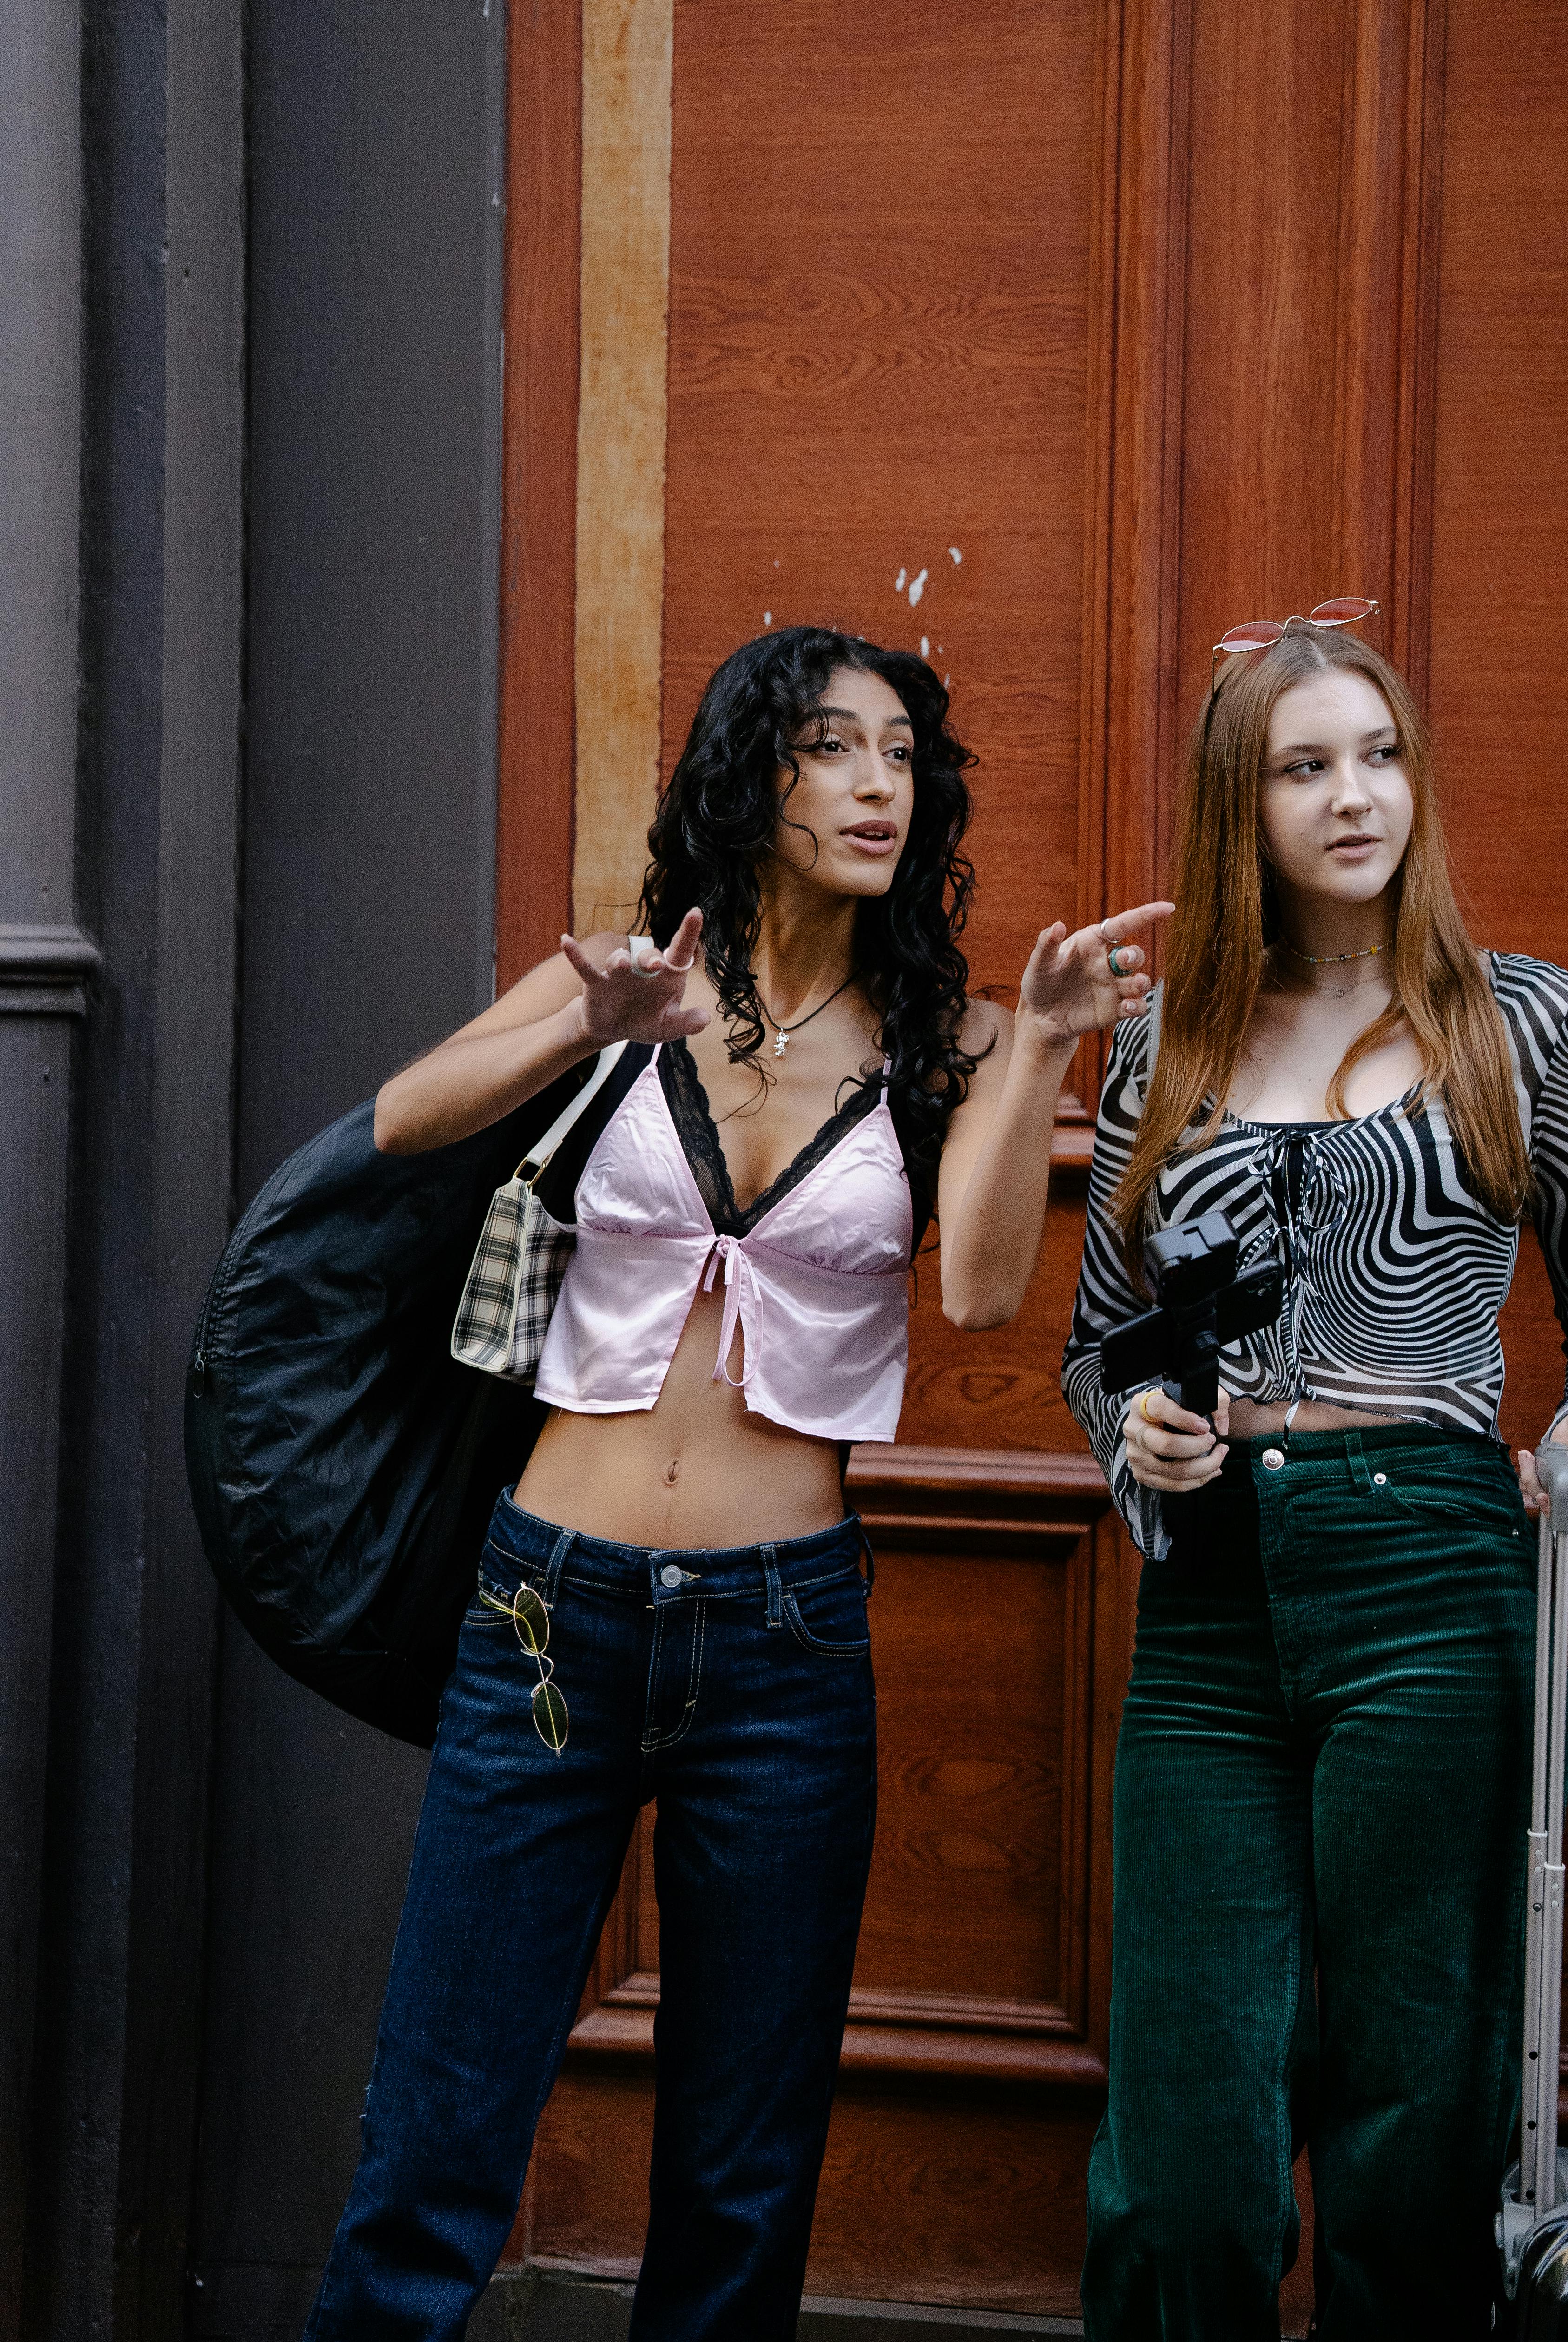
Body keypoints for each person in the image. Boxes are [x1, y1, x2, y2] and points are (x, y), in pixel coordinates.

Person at [306, 625, 1170, 2342]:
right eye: (831, 748)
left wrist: (1046, 1055)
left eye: (902, 757)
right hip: (551, 1609)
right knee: (442, 2130)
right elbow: (405, 1121)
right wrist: (587, 1034)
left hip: (783, 1646)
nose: (874, 786)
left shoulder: (952, 1041)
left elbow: (990, 1290)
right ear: (750, 772)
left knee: (741, 2169)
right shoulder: (635, 975)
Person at [1061, 603, 1568, 2339]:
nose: (1354, 796)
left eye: (1380, 755)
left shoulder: (1528, 1024)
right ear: (1237, 806)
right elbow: (1100, 1347)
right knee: (1181, 2158)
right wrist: (1141, 1436)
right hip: (1213, 1602)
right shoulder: (1159, 1038)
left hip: (1438, 1583)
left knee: (1419, 2116)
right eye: (1304, 765)